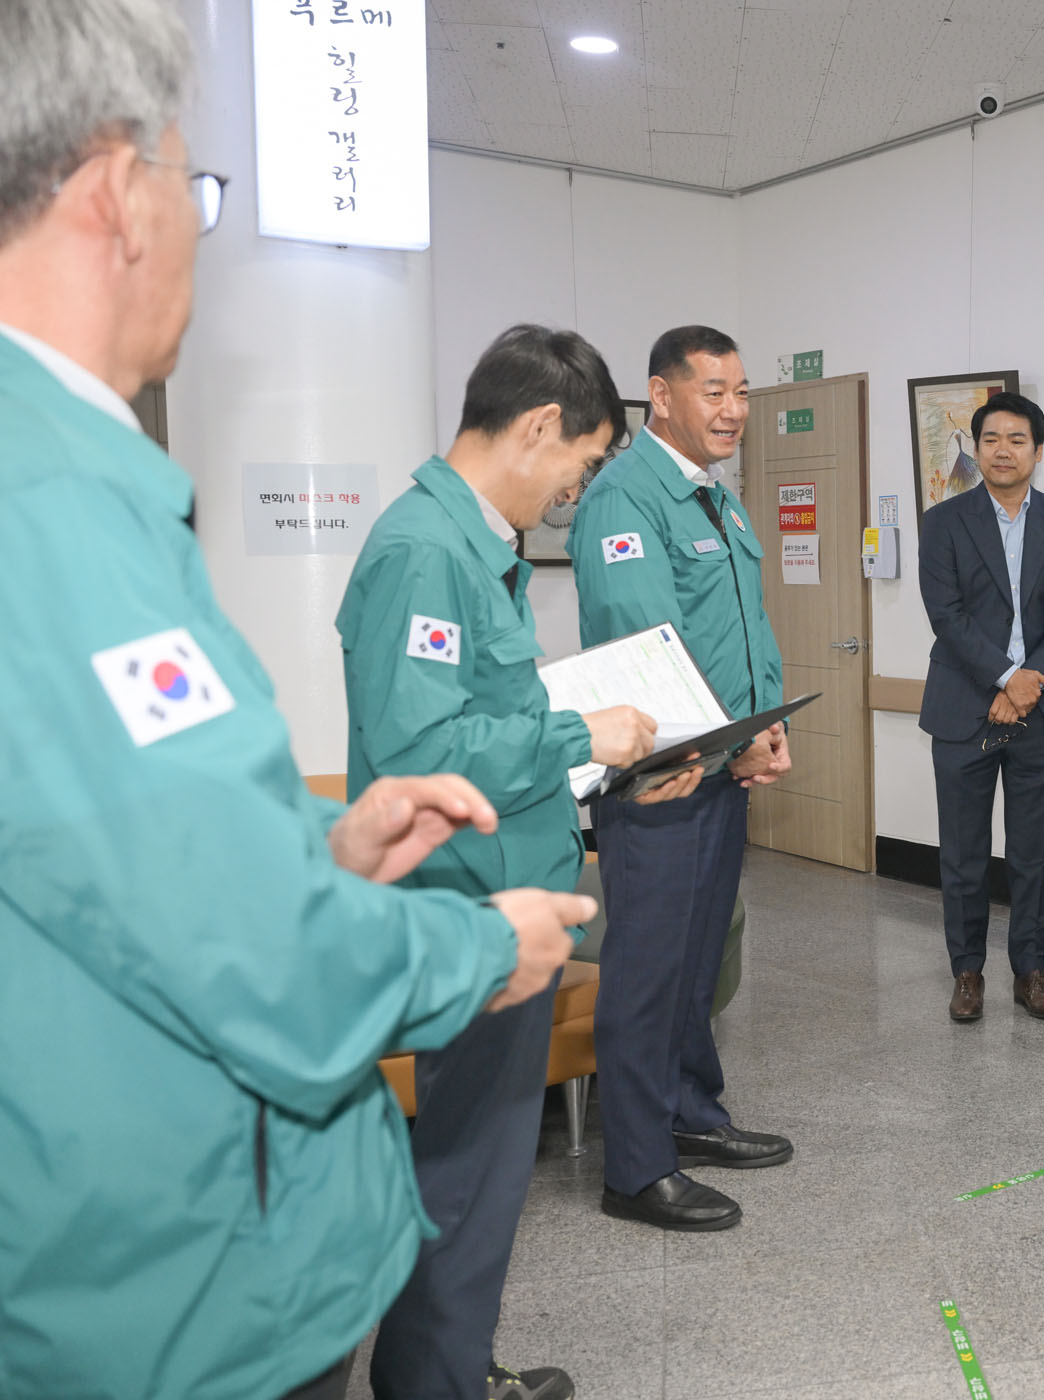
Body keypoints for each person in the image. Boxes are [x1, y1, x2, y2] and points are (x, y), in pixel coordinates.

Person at [0, 4, 587, 1396]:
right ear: (116, 195)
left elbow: (115, 847)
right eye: (197, 186)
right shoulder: (58, 509)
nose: (202, 231)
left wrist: (319, 846)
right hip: (175, 1289)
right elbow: (241, 944)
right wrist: (474, 949)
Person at [340, 326, 701, 1400]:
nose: (573, 492)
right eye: (581, 464)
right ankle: (438, 1382)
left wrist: (607, 771)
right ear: (540, 425)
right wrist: (581, 735)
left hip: (507, 899)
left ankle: (443, 1364)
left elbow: (490, 722)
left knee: (481, 1172)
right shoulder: (425, 551)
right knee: (468, 1168)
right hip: (467, 909)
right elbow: (419, 753)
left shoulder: (469, 545)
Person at [570, 325, 795, 1232]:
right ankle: (635, 1166)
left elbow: (749, 627)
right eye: (714, 392)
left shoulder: (717, 500)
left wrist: (767, 726)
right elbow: (646, 650)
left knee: (699, 958)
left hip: (723, 770)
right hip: (660, 783)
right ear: (660, 396)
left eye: (742, 393)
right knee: (648, 971)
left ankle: (691, 1113)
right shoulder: (626, 498)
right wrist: (723, 746)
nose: (734, 410)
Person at [918, 391, 1044, 1022]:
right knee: (963, 856)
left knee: (1033, 856)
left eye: (1017, 440)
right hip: (963, 708)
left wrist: (1028, 684)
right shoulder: (944, 521)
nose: (1003, 450)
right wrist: (1004, 678)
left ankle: (1031, 972)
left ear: (1037, 451)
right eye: (991, 439)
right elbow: (947, 615)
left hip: (1039, 712)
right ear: (977, 447)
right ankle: (967, 973)